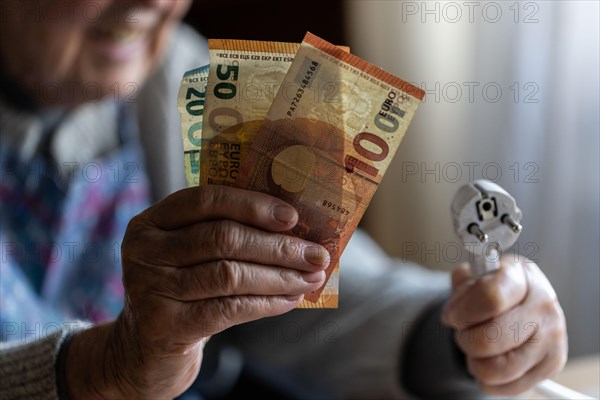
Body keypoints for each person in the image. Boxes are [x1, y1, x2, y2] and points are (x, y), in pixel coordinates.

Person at [0, 1, 567, 399]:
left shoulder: (165, 69)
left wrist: (460, 333)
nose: (153, 1)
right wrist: (102, 371)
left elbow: (299, 300)